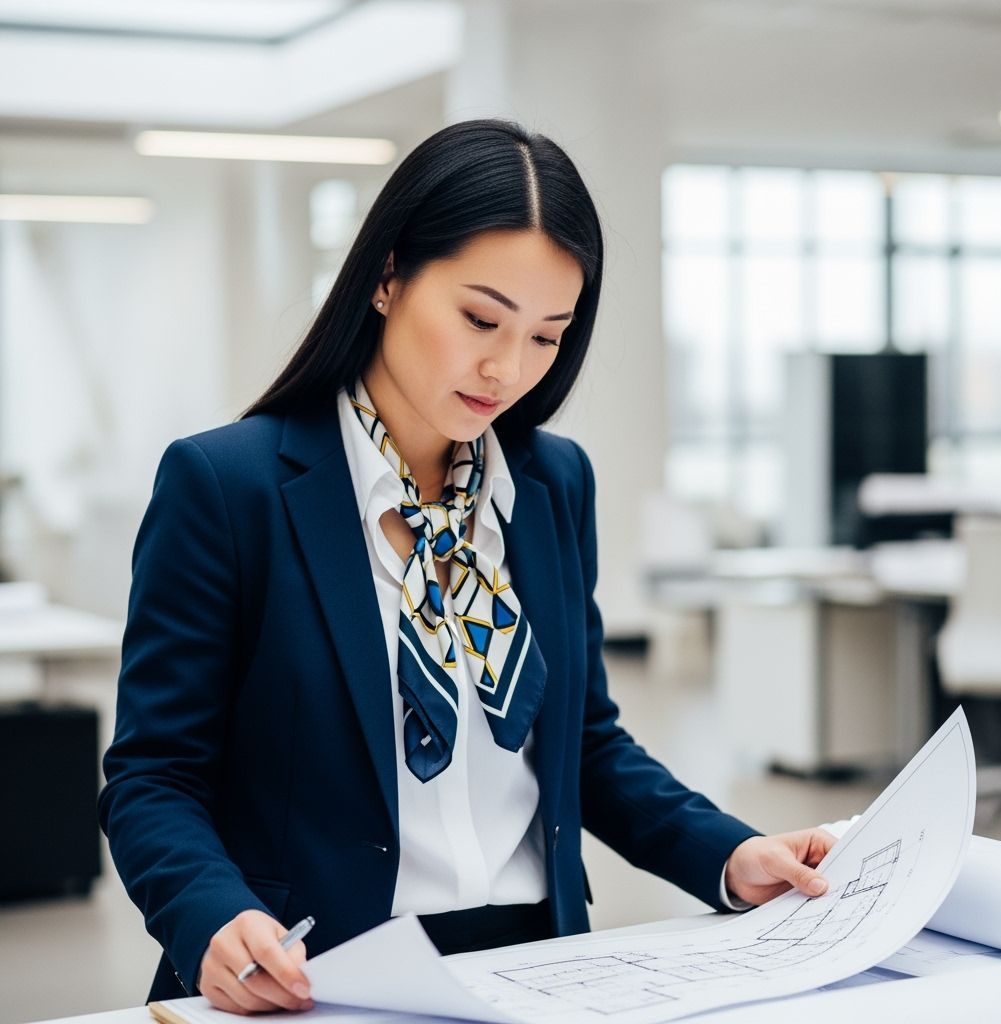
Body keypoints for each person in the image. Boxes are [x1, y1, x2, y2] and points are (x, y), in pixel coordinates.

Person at [98, 118, 835, 1016]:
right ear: (386, 276)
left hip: (533, 968)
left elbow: (584, 741)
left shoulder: (552, 484)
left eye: (546, 336)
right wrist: (211, 917)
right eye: (480, 318)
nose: (505, 368)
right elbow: (153, 776)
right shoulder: (229, 486)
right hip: (315, 977)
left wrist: (724, 853)